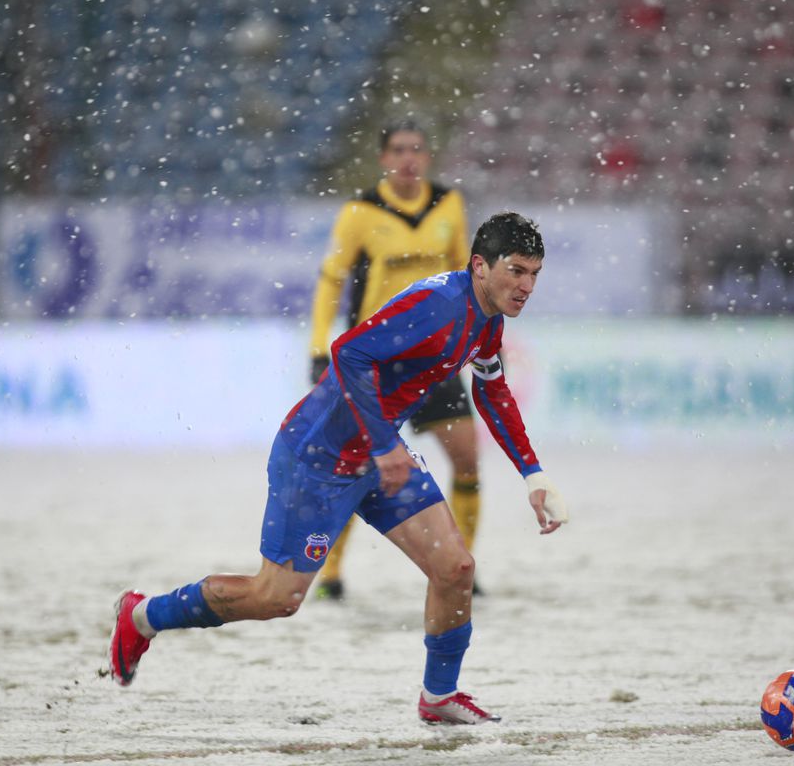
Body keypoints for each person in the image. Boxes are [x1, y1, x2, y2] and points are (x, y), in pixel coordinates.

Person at [109, 212, 567, 725]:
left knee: (455, 568)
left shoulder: (488, 318)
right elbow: (347, 351)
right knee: (275, 598)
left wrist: (534, 474)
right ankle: (143, 616)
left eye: (535, 274)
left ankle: (438, 697)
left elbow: (492, 386)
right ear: (480, 266)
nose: (526, 286)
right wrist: (382, 446)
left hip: (378, 454)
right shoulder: (440, 304)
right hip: (318, 457)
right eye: (517, 271)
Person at [308, 118, 482, 601]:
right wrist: (319, 347)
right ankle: (332, 574)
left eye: (417, 149)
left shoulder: (449, 205)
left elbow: (469, 274)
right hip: (378, 362)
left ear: (427, 157)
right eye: (399, 150)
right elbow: (332, 278)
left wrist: (478, 333)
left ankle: (462, 564)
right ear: (384, 158)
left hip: (433, 359)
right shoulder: (361, 212)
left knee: (467, 459)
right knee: (353, 469)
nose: (409, 158)